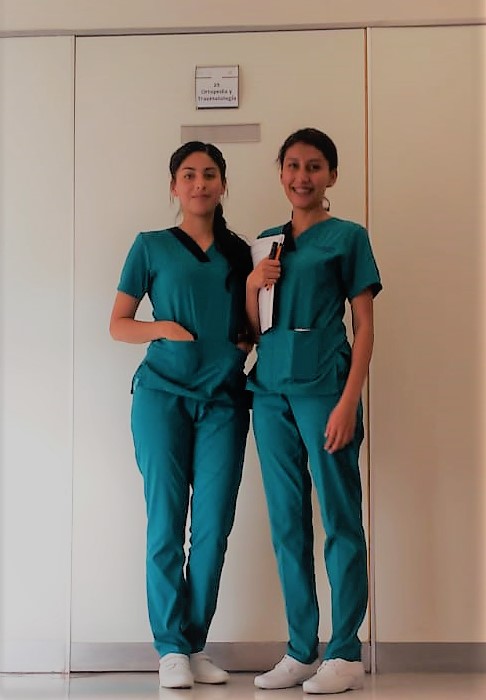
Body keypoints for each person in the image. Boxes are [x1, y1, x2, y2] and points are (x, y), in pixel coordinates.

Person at [109, 141, 252, 689]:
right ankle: (170, 647)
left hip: (223, 400)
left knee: (213, 528)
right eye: (188, 175)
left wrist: (244, 340)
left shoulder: (243, 254)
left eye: (209, 174)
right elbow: (119, 324)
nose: (199, 183)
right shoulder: (149, 246)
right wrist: (163, 328)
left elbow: (253, 324)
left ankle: (193, 644)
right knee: (167, 521)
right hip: (161, 396)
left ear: (223, 184)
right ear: (174, 186)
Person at [246, 128, 382, 695]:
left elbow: (365, 326)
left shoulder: (348, 237)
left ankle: (344, 652)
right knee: (286, 524)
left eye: (315, 166)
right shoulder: (266, 243)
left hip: (325, 390)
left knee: (341, 521)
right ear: (280, 172)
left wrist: (349, 401)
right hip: (268, 393)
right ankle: (301, 649)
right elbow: (254, 329)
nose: (302, 176)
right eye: (294, 165)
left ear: (332, 176)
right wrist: (252, 284)